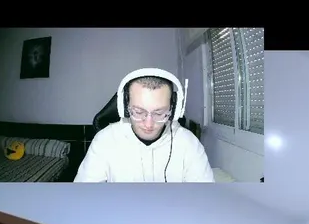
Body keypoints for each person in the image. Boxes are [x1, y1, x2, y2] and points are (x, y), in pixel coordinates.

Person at [75, 68, 214, 183]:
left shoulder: (189, 144)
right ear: (125, 107)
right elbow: (84, 197)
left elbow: (203, 198)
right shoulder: (104, 141)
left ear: (174, 110)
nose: (149, 124)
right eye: (139, 112)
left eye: (159, 113)